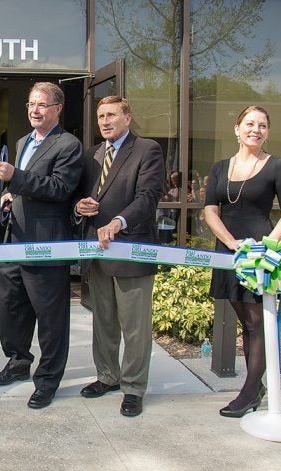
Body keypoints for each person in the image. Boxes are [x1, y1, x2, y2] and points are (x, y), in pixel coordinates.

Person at [0, 82, 83, 409]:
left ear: (57, 108)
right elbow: (29, 187)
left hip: (47, 246)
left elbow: (60, 188)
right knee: (12, 309)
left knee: (51, 320)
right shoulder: (22, 142)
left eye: (42, 105)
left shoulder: (68, 144)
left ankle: (47, 381)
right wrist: (11, 196)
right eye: (31, 104)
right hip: (14, 241)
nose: (34, 110)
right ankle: (17, 362)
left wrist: (16, 178)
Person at [204, 105, 281, 418]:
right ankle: (255, 387)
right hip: (230, 253)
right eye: (249, 124)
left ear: (267, 132)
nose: (255, 130)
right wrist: (230, 243)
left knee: (258, 323)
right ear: (237, 128)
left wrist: (266, 247)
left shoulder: (277, 166)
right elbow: (210, 211)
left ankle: (249, 391)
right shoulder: (220, 167)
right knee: (247, 323)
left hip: (259, 256)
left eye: (261, 125)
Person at [75, 96, 163, 417]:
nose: (105, 121)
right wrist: (79, 207)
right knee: (105, 322)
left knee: (135, 326)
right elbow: (81, 197)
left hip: (131, 251)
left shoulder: (147, 150)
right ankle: (108, 376)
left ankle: (134, 387)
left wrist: (118, 221)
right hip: (97, 254)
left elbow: (148, 196)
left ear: (128, 117)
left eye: (112, 114)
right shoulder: (93, 155)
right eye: (100, 116)